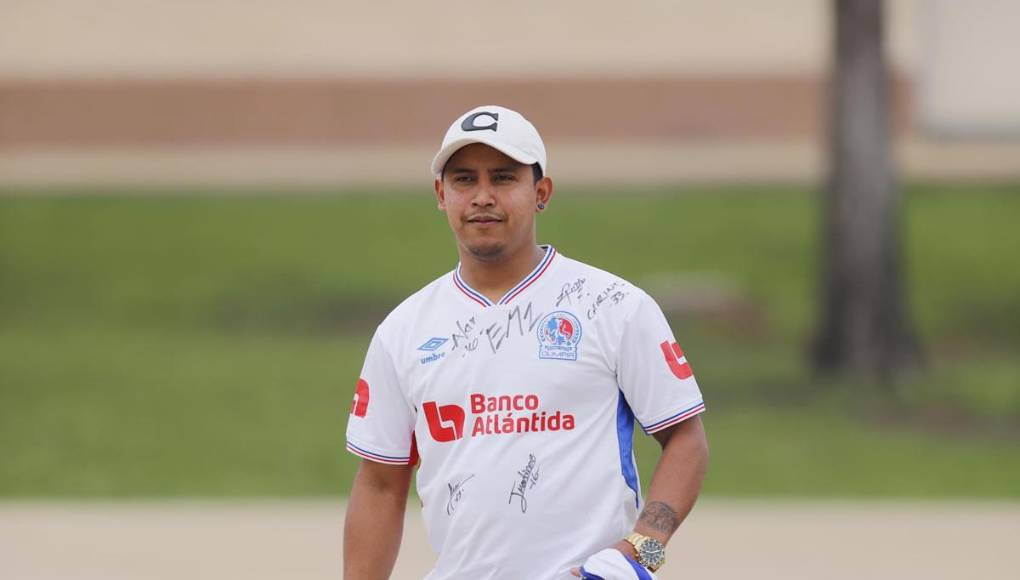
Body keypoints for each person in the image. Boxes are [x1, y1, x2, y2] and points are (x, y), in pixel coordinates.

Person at [343, 105, 709, 580]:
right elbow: (380, 484)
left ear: (541, 192)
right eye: (464, 180)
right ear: (441, 194)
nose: (483, 197)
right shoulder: (403, 330)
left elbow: (685, 438)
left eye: (503, 178)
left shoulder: (614, 305)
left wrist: (640, 551)